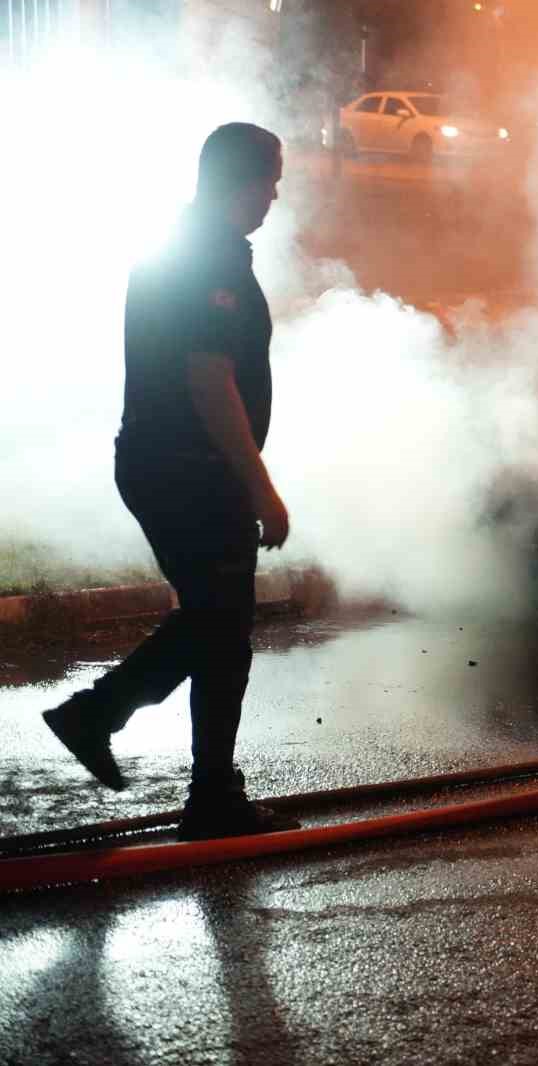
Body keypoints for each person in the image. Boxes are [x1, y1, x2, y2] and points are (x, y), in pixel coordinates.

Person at [41, 122, 300, 839]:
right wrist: (261, 489)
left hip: (170, 467)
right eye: (270, 180)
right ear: (241, 180)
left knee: (218, 626)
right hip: (191, 472)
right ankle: (109, 723)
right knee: (223, 625)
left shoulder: (184, 246)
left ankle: (201, 784)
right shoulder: (209, 258)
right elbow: (209, 381)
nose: (275, 196)